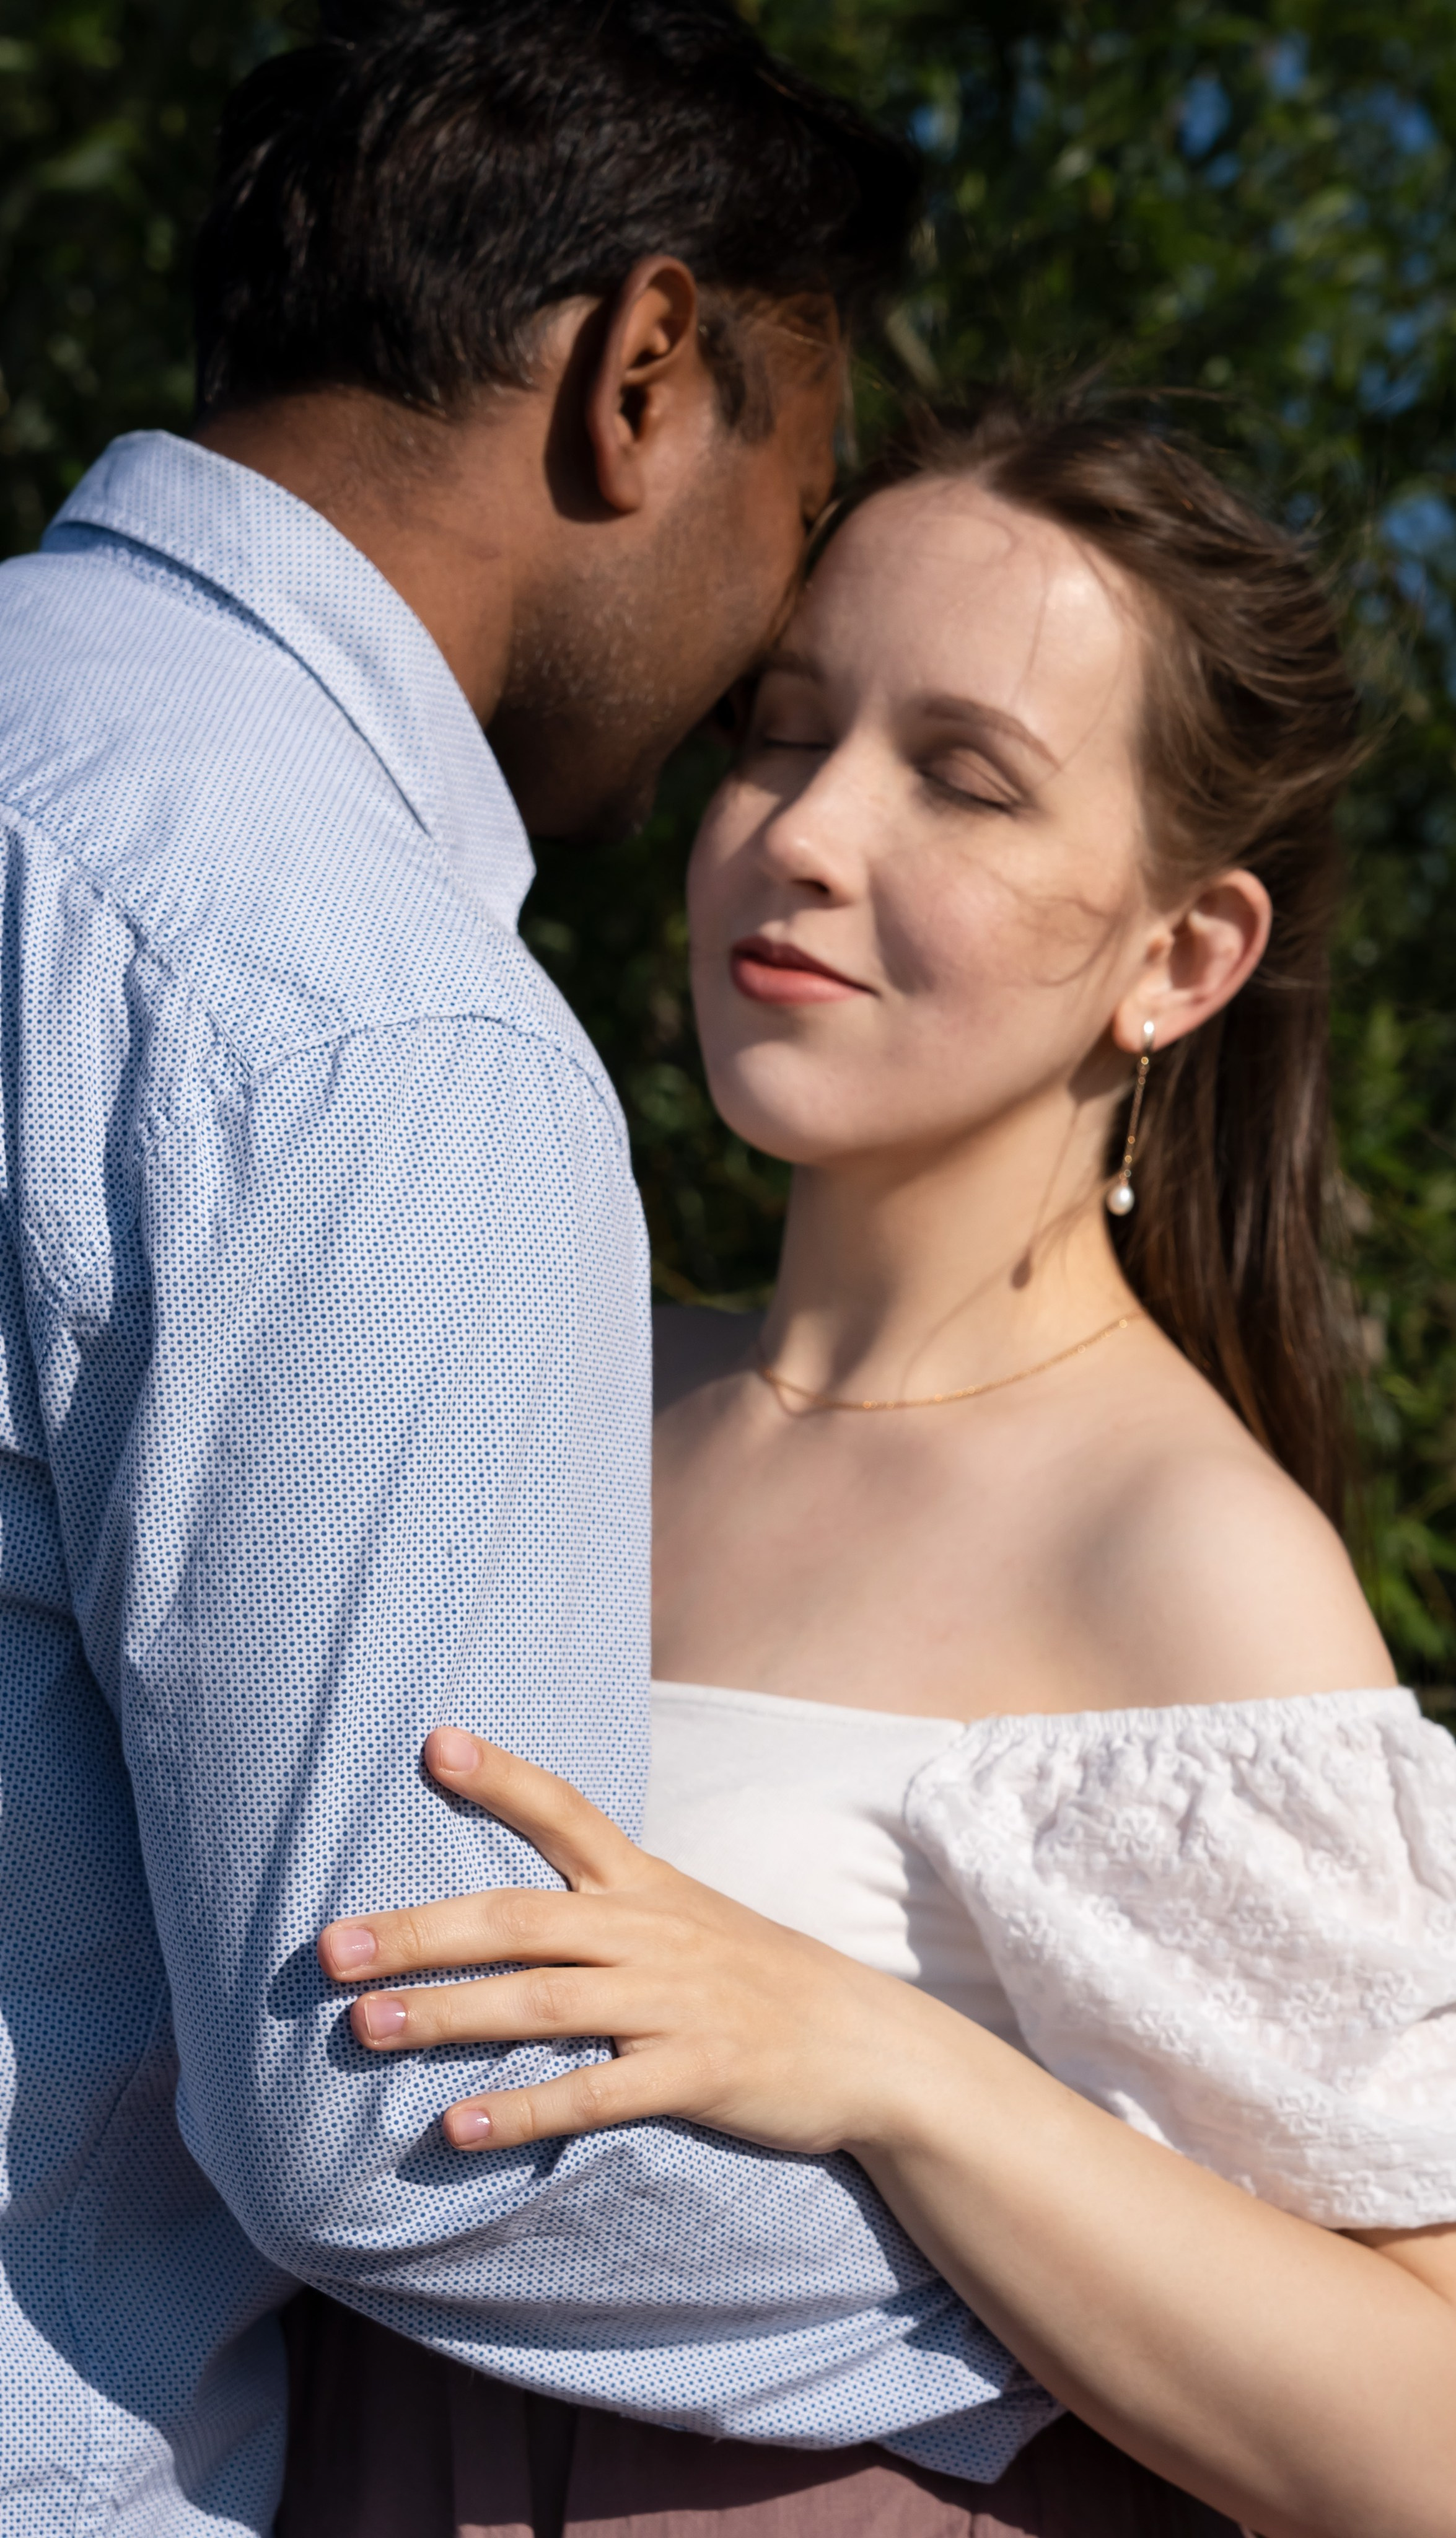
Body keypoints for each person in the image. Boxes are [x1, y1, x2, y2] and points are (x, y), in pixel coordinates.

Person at [0, 9, 1077, 2531]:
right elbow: (414, 2113)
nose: (758, 676)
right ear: (646, 369)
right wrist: (1115, 2326)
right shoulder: (380, 1021)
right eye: (798, 493)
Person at [320, 398, 1456, 2538]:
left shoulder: (1181, 1549)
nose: (807, 833)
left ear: (1179, 957)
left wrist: (883, 2055)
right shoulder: (575, 1379)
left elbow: (1429, 2443)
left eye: (963, 777)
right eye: (782, 728)